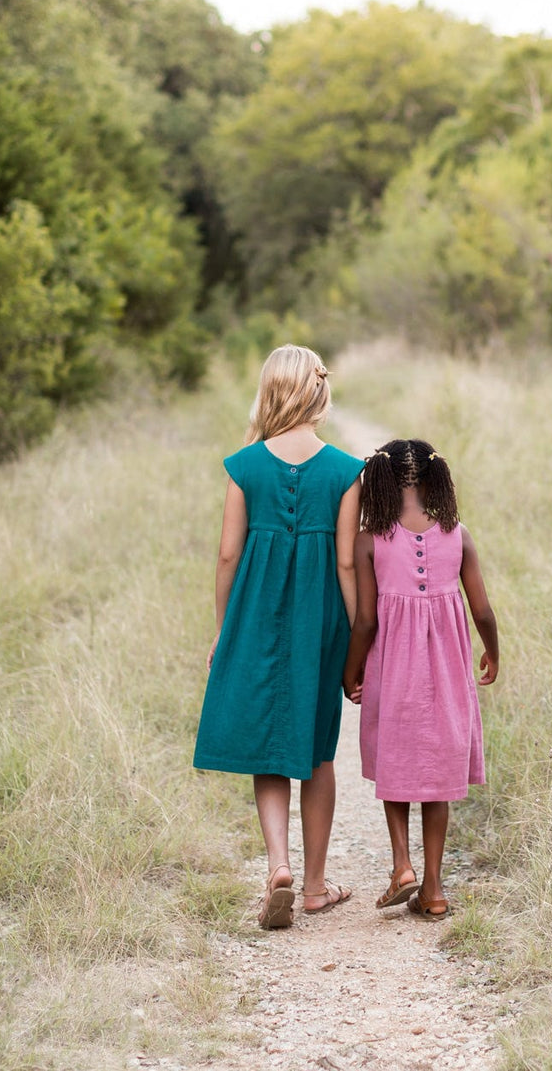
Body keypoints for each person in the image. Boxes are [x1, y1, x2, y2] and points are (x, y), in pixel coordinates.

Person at [193, 344, 364, 929]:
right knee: (317, 751)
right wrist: (357, 643)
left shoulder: (244, 465)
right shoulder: (346, 470)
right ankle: (314, 887)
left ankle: (279, 867)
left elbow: (227, 555)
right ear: (319, 392)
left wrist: (225, 629)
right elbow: (347, 564)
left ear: (269, 391)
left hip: (256, 617)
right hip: (322, 623)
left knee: (266, 747)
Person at [342, 439, 498, 920]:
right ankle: (433, 890)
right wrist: (493, 651)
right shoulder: (458, 534)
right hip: (446, 677)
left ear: (378, 482)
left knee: (395, 766)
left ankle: (402, 866)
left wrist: (351, 672)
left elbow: (366, 621)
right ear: (436, 480)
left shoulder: (369, 539)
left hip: (394, 673)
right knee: (437, 777)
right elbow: (482, 610)